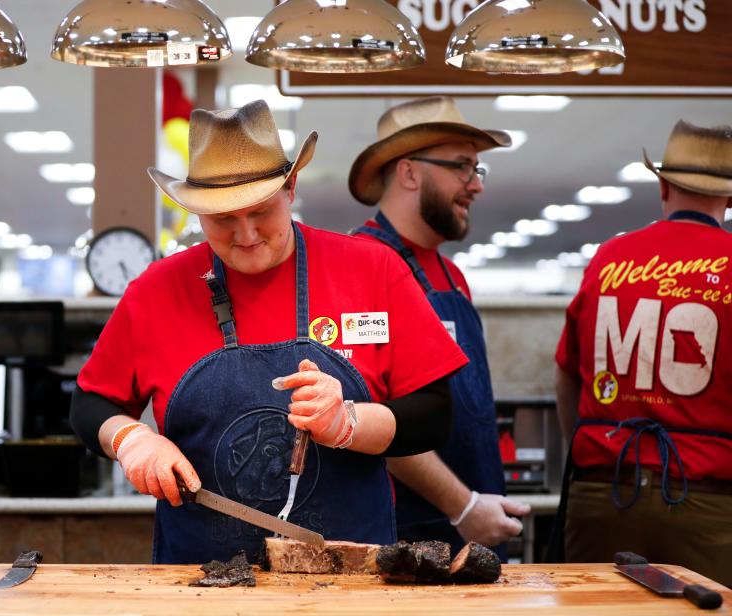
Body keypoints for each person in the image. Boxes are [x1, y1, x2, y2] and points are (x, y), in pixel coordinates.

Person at [70, 100, 468, 565]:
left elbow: (434, 414)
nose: (245, 235)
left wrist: (349, 424)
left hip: (350, 584)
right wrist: (131, 439)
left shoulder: (372, 269)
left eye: (261, 211)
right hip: (199, 583)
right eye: (222, 219)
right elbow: (90, 404)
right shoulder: (156, 291)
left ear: (291, 188)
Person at [348, 96, 530, 559]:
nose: (476, 185)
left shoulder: (453, 276)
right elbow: (368, 420)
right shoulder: (361, 267)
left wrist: (477, 508)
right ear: (409, 172)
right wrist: (462, 505)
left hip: (477, 524)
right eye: (463, 167)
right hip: (407, 536)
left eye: (478, 170)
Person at [554, 120, 732, 586]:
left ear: (662, 184)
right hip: (709, 502)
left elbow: (567, 373)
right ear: (729, 197)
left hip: (603, 492)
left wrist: (586, 446)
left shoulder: (610, 257)